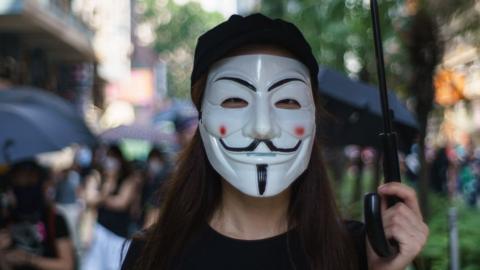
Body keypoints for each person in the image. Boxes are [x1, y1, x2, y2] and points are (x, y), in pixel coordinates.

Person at [121, 14, 428, 270]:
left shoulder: (359, 252)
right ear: (202, 121)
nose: (263, 127)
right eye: (233, 100)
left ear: (312, 119)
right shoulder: (152, 257)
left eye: (287, 102)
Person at [0, 160, 75, 270]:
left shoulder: (54, 218)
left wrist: (29, 259)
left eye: (30, 182)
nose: (24, 187)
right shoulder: (7, 220)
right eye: (18, 182)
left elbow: (67, 265)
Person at [81, 145, 138, 270]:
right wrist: (107, 187)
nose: (110, 161)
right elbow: (90, 200)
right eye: (108, 157)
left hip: (119, 234)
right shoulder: (97, 176)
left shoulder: (128, 179)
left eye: (114, 157)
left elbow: (122, 203)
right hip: (98, 232)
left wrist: (101, 198)